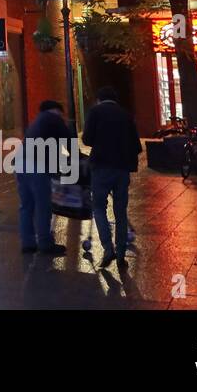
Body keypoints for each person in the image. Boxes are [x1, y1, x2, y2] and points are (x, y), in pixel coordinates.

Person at [81, 86, 142, 268]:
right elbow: (136, 145)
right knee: (120, 211)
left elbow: (87, 139)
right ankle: (121, 253)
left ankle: (108, 247)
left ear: (99, 99)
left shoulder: (95, 112)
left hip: (101, 168)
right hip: (122, 169)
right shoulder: (126, 114)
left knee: (99, 207)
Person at [16, 100, 75, 256]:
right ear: (56, 110)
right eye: (61, 113)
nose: (62, 116)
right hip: (37, 166)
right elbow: (69, 142)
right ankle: (45, 243)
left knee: (26, 206)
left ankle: (27, 243)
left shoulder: (36, 121)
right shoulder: (53, 118)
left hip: (20, 164)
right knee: (43, 206)